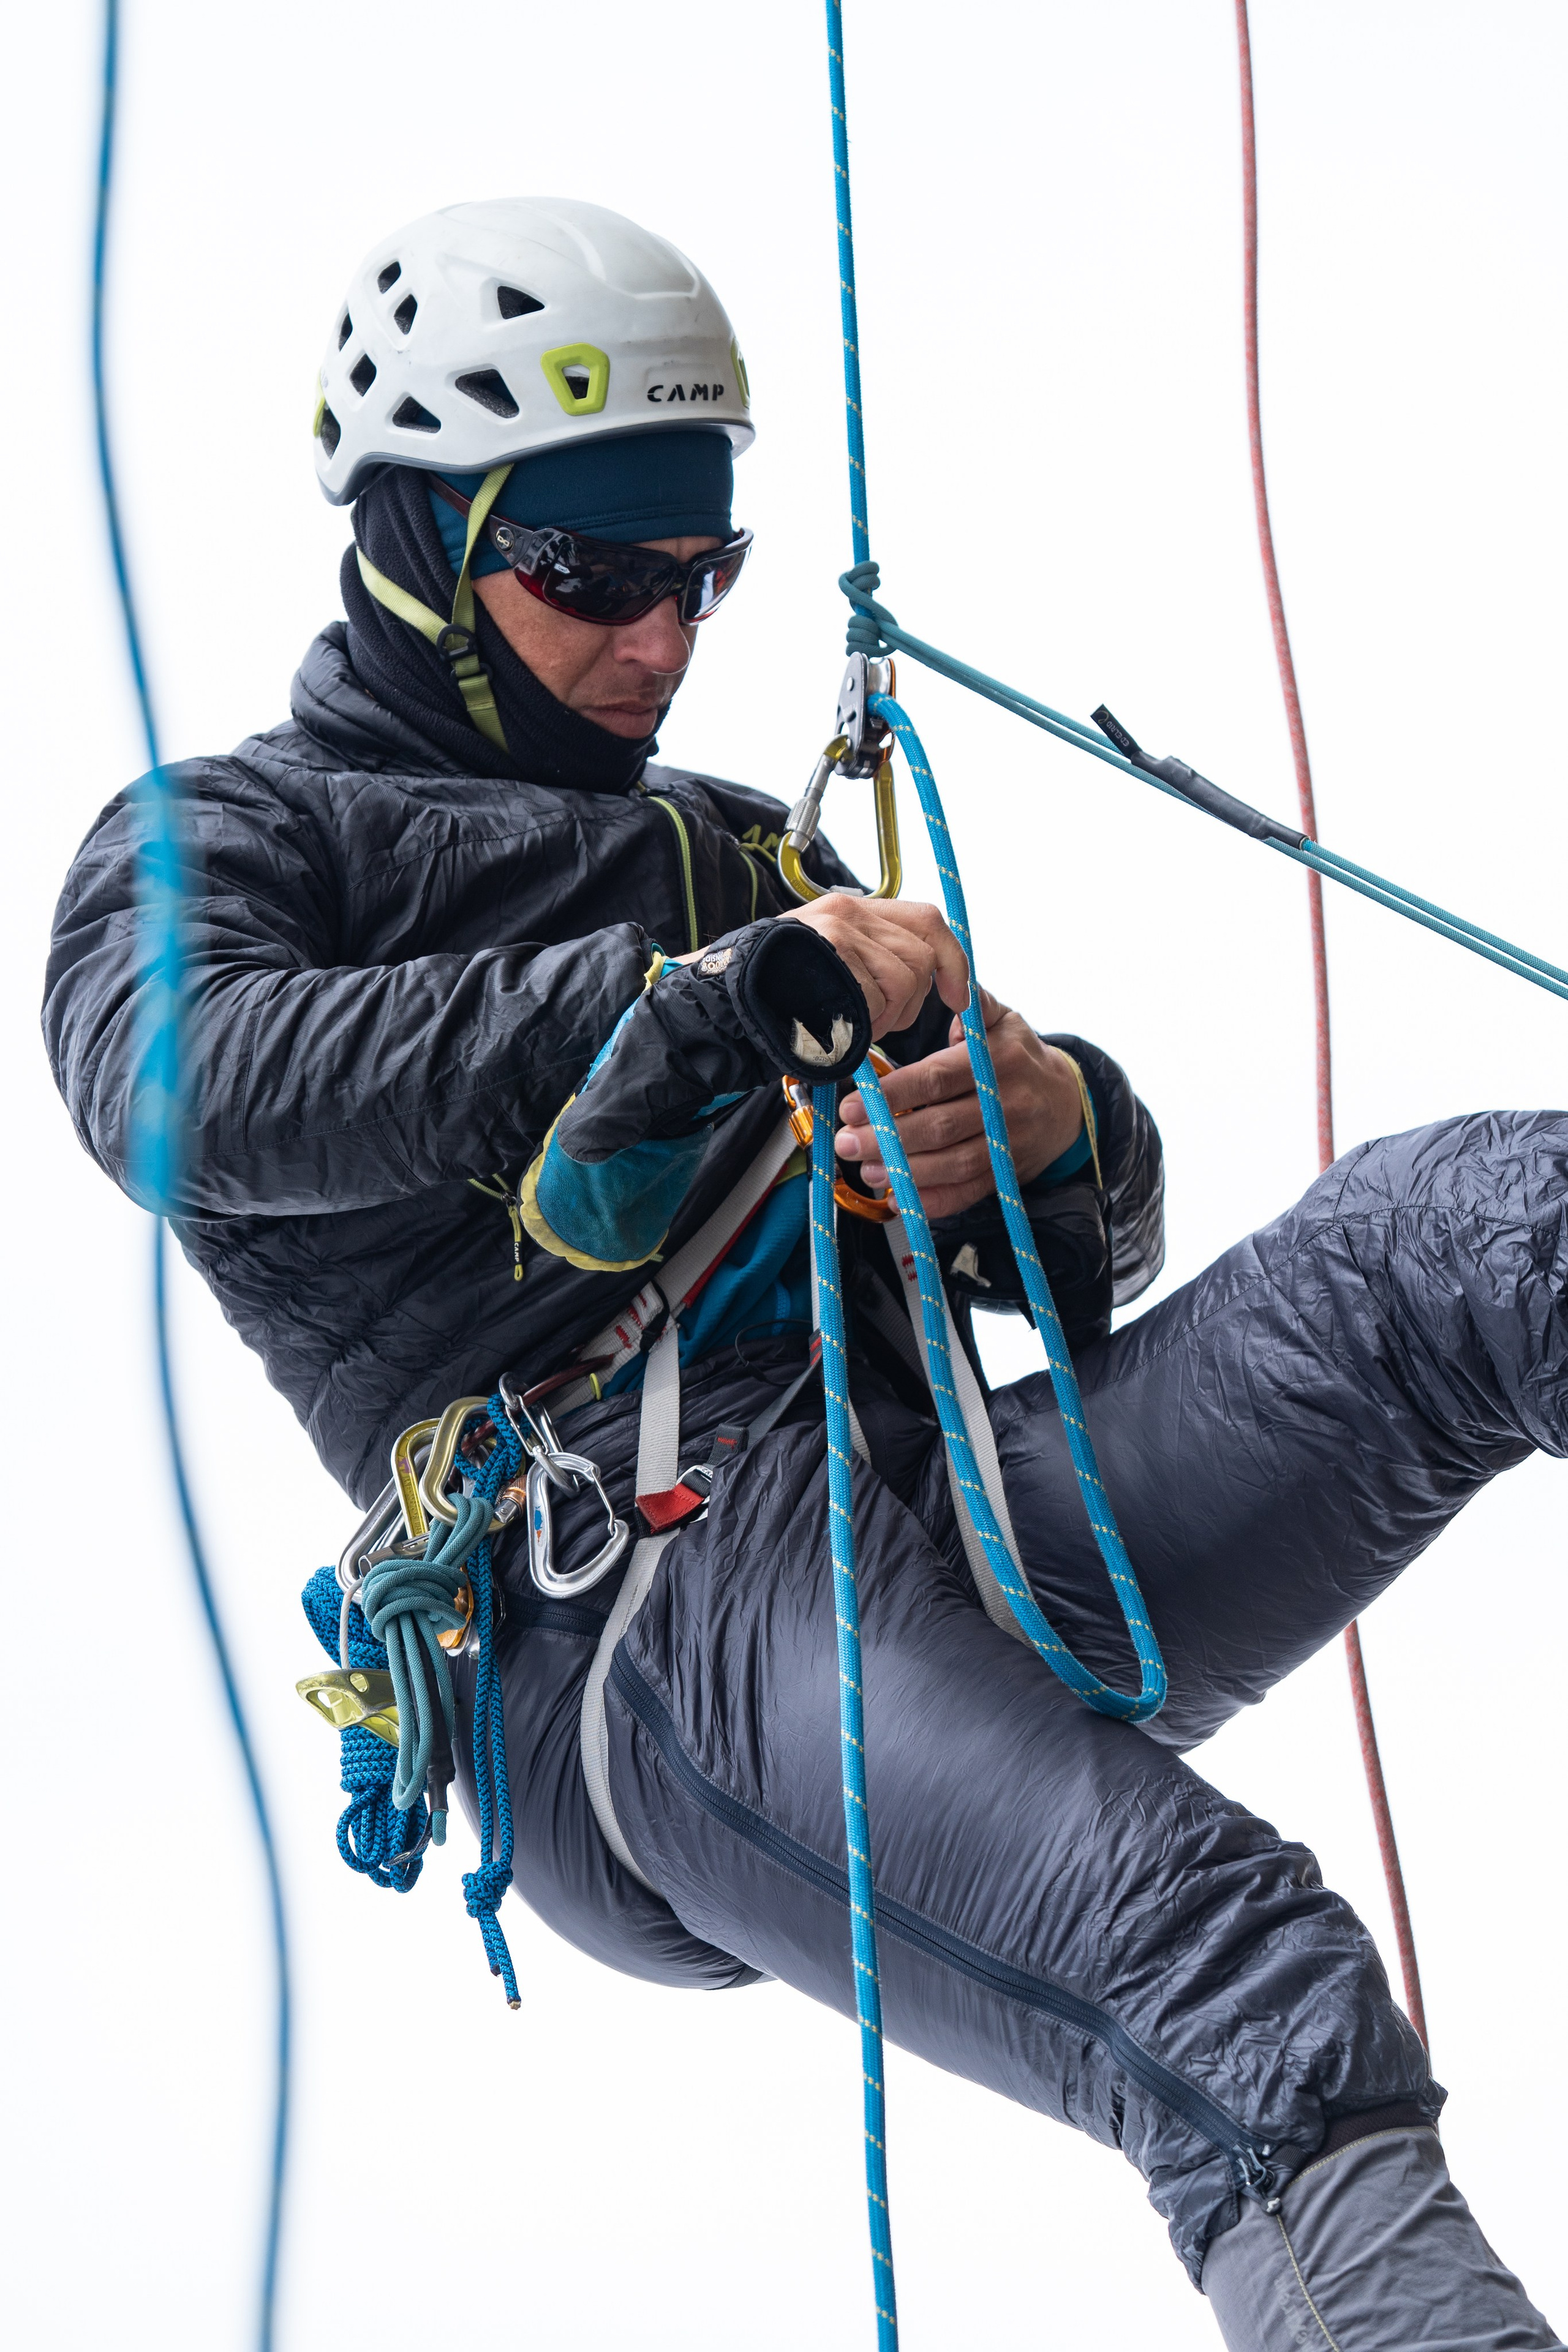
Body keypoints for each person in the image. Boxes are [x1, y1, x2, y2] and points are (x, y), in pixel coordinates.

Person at [43, 197, 1564, 2350]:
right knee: (1234, 1971)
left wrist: (1050, 1132)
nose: (662, 640)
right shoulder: (236, 841)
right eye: (594, 575)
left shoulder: (738, 845)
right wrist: (665, 1009)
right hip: (636, 1605)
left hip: (927, 1511)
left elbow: (1071, 1265)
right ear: (411, 544)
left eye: (705, 573)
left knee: (1471, 1239)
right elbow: (177, 1086)